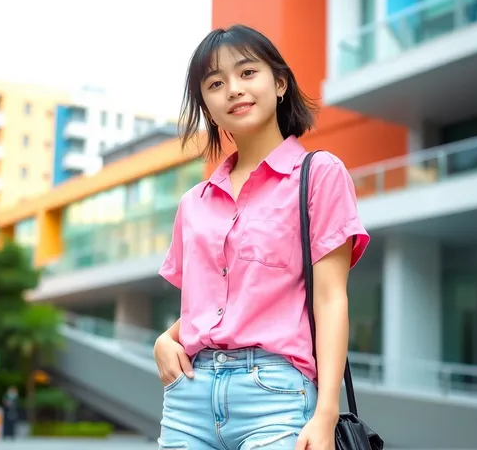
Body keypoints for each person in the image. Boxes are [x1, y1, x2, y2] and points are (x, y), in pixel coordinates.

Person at [154, 24, 370, 450]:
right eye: (216, 83)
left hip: (276, 395)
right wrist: (167, 338)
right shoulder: (193, 203)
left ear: (280, 83)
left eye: (247, 73)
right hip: (189, 398)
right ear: (208, 109)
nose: (234, 89)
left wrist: (326, 412)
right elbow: (216, 301)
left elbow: (330, 299)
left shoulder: (318, 174)